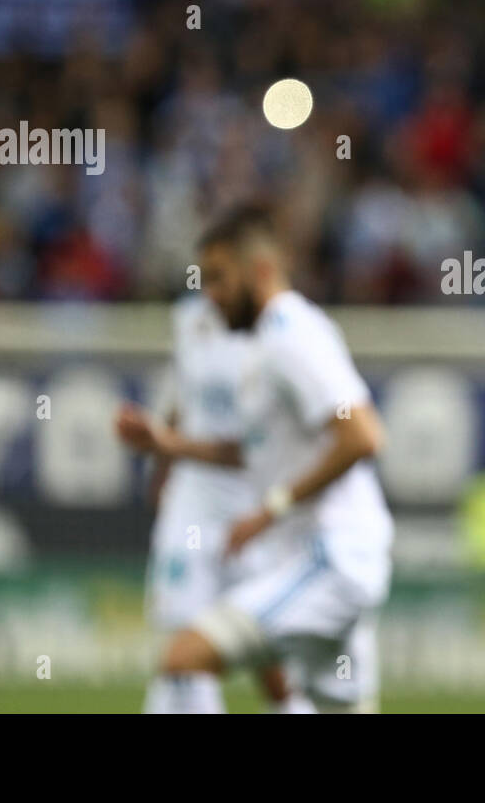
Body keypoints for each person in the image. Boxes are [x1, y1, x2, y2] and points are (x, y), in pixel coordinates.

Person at [117, 205, 392, 713]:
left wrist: (271, 509)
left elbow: (363, 436)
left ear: (260, 269)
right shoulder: (268, 341)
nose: (210, 294)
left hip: (331, 557)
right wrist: (168, 445)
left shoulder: (291, 334)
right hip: (324, 556)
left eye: (220, 278)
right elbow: (253, 452)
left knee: (183, 657)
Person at [117, 293, 309, 713]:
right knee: (182, 644)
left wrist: (168, 445)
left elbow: (261, 448)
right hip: (193, 504)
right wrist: (164, 463)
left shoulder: (279, 333)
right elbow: (180, 399)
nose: (214, 285)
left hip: (252, 511)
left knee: (269, 653)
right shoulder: (189, 320)